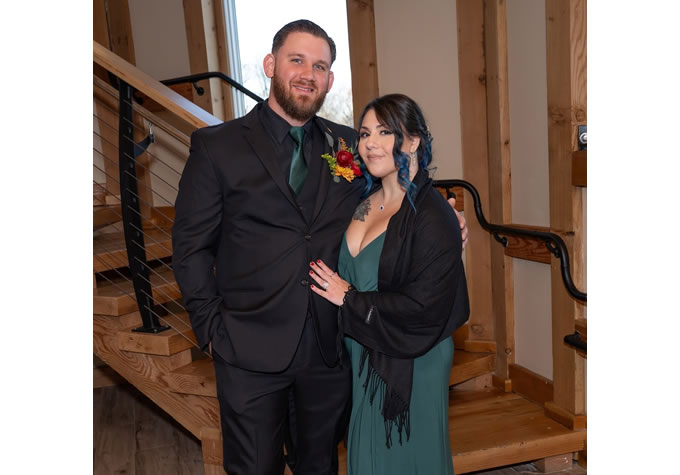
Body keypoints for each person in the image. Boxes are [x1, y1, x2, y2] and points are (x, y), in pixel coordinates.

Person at [172, 19, 467, 475]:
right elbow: (190, 247)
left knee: (320, 466)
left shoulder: (350, 145)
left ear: (329, 80)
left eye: (320, 66)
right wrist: (211, 330)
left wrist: (445, 215)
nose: (308, 74)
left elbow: (399, 187)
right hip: (247, 349)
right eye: (297, 60)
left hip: (330, 349)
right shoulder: (217, 146)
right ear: (270, 65)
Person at [309, 94, 470, 475]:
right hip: (361, 352)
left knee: (405, 461)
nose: (370, 143)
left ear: (413, 141)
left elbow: (425, 306)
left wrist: (348, 298)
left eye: (385, 132)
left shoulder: (432, 215)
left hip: (411, 360)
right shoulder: (361, 199)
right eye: (365, 133)